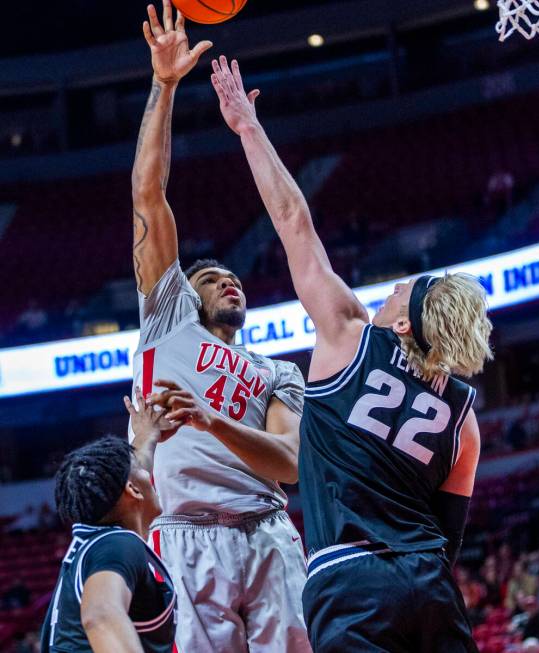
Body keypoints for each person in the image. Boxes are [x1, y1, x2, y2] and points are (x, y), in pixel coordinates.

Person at [211, 55, 494, 652]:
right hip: (428, 580)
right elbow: (448, 535)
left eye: (402, 289)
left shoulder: (347, 334)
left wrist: (247, 128)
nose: (393, 288)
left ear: (404, 320)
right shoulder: (465, 419)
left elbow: (293, 221)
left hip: (349, 574)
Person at [130, 3, 310, 651]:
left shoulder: (278, 370)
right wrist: (165, 84)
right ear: (186, 291)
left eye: (235, 278)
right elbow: (149, 196)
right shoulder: (168, 316)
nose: (228, 281)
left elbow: (289, 465)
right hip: (185, 531)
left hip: (267, 529)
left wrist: (209, 421)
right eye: (212, 278)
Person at [40, 390, 177, 653]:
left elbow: (133, 472)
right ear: (133, 491)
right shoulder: (118, 544)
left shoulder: (96, 540)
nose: (149, 474)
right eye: (140, 470)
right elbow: (100, 615)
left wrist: (147, 434)